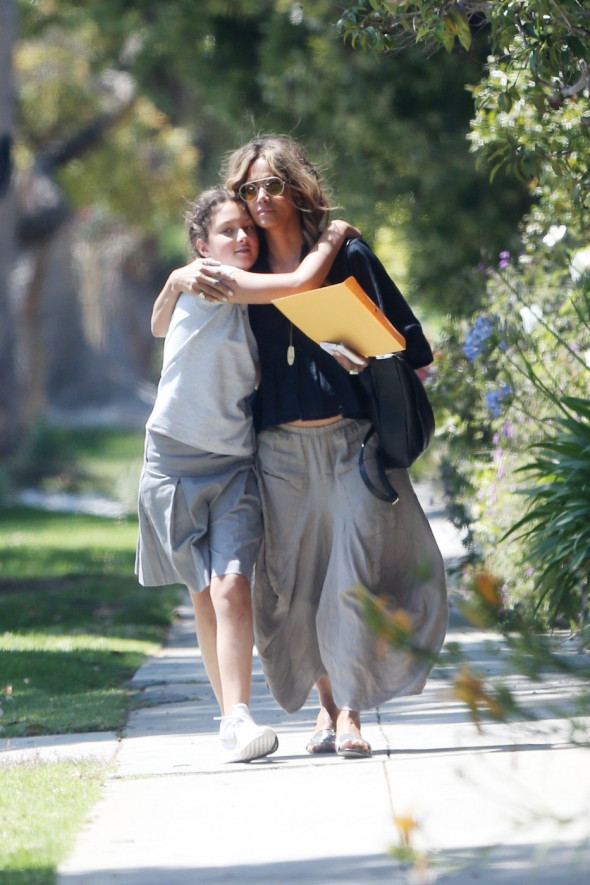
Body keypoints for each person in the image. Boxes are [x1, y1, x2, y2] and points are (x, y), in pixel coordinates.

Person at [222, 135, 448, 759]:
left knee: (352, 577)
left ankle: (349, 713)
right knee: (297, 585)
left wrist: (364, 350)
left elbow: (414, 350)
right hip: (279, 452)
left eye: (272, 185)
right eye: (249, 189)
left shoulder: (348, 252)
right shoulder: (243, 267)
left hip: (352, 442)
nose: (261, 199)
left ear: (296, 186)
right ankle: (323, 708)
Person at [136, 186, 359, 763]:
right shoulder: (214, 281)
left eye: (247, 230)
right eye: (228, 229)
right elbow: (299, 283)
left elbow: (165, 327)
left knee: (233, 588)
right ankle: (232, 718)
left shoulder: (239, 296)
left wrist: (171, 283)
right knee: (204, 598)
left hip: (234, 461)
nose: (243, 237)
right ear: (201, 246)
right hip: (175, 459)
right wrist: (333, 234)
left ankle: (236, 716)